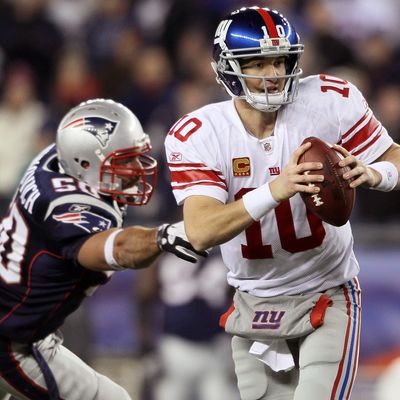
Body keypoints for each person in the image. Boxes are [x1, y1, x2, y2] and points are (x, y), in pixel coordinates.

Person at [164, 6, 400, 400]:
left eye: (280, 60)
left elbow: (394, 156)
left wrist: (377, 174)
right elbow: (200, 231)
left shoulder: (329, 100)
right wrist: (276, 188)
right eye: (258, 63)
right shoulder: (200, 133)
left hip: (327, 291)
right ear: (227, 68)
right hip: (255, 303)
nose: (273, 74)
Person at [0, 98, 207, 400]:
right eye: (124, 161)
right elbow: (115, 248)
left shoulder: (56, 160)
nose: (137, 170)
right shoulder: (69, 207)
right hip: (11, 340)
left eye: (136, 157)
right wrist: (161, 237)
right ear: (85, 164)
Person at [136, 250, 239, 400]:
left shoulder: (225, 253)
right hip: (176, 346)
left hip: (216, 347)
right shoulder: (166, 251)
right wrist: (145, 341)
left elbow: (238, 299)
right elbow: (144, 296)